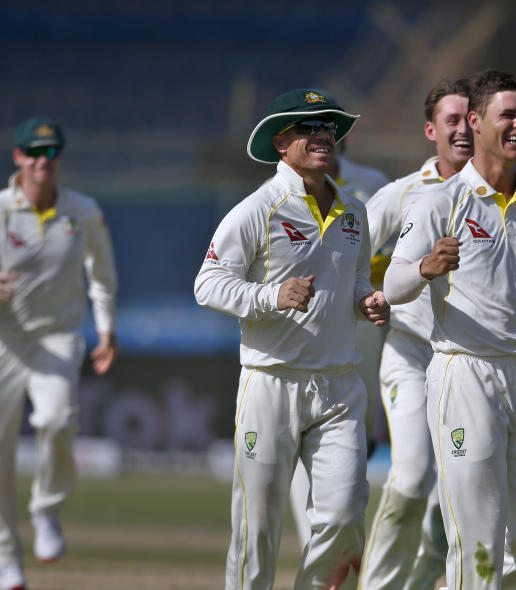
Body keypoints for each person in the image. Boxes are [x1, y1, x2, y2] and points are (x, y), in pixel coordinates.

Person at [384, 70, 516, 590]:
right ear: (475, 123)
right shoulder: (438, 203)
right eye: (508, 114)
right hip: (464, 372)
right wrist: (426, 269)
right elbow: (392, 284)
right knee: (475, 536)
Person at [194, 88, 389, 590]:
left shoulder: (354, 211)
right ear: (281, 143)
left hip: (339, 387)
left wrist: (368, 302)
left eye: (327, 126)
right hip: (270, 382)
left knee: (345, 517)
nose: (321, 134)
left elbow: (357, 285)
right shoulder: (258, 208)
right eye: (307, 127)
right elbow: (207, 284)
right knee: (257, 527)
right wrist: (271, 296)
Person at [0, 118, 118, 590]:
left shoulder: (83, 211)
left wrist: (106, 330)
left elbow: (101, 273)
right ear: (18, 157)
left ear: (59, 158)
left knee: (59, 419)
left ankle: (46, 510)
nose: (43, 160)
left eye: (51, 151)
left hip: (57, 336)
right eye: (34, 152)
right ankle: (6, 561)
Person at [357, 77, 472, 590]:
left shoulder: (505, 194)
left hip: (473, 365)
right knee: (410, 480)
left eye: (471, 118)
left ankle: (427, 581)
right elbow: (348, 253)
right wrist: (369, 297)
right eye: (451, 120)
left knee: (463, 490)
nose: (463, 129)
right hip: (409, 355)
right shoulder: (399, 195)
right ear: (431, 130)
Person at [287, 131, 392, 555]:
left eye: (330, 142)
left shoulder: (372, 185)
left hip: (360, 321)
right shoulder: (275, 193)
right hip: (300, 330)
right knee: (299, 435)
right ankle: (313, 540)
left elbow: (393, 248)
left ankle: (336, 531)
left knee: (355, 432)